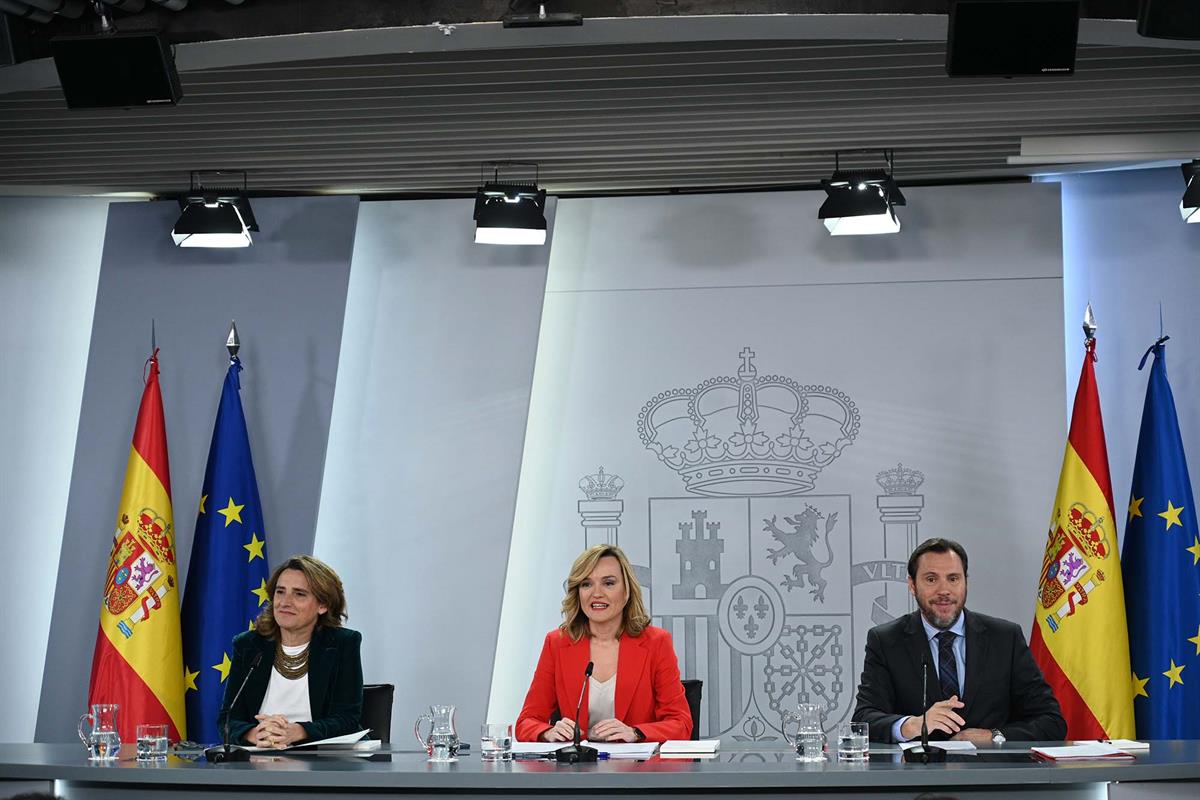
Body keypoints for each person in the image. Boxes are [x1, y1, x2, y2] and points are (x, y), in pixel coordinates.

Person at [852, 538, 1065, 744]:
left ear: (965, 582)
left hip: (993, 777)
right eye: (931, 579)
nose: (944, 591)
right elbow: (863, 718)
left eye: (953, 578)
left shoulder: (1005, 638)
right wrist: (911, 725)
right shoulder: (886, 641)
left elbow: (1051, 721)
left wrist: (994, 736)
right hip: (917, 775)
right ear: (912, 585)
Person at [515, 545, 693, 743]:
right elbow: (526, 722)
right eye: (586, 584)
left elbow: (681, 723)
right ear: (578, 592)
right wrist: (547, 732)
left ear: (626, 591)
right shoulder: (557, 643)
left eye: (608, 583)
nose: (596, 593)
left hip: (638, 769)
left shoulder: (656, 643)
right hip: (577, 770)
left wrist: (635, 733)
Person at [217, 555, 363, 747]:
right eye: (280, 592)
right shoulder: (249, 645)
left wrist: (299, 731)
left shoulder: (342, 644)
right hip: (259, 758)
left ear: (323, 605)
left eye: (299, 594)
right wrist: (254, 733)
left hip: (323, 759)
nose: (285, 602)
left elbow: (347, 719)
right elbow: (228, 719)